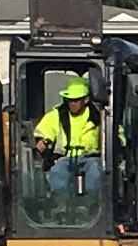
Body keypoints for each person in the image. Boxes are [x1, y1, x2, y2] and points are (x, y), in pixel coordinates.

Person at [35, 69, 100, 203]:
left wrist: (118, 140)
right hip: (65, 158)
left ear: (86, 99)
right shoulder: (56, 115)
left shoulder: (99, 117)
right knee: (57, 170)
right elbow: (43, 132)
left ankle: (90, 205)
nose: (72, 103)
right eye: (69, 100)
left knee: (95, 171)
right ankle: (60, 207)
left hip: (91, 158)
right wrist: (41, 141)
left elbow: (117, 134)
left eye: (76, 100)